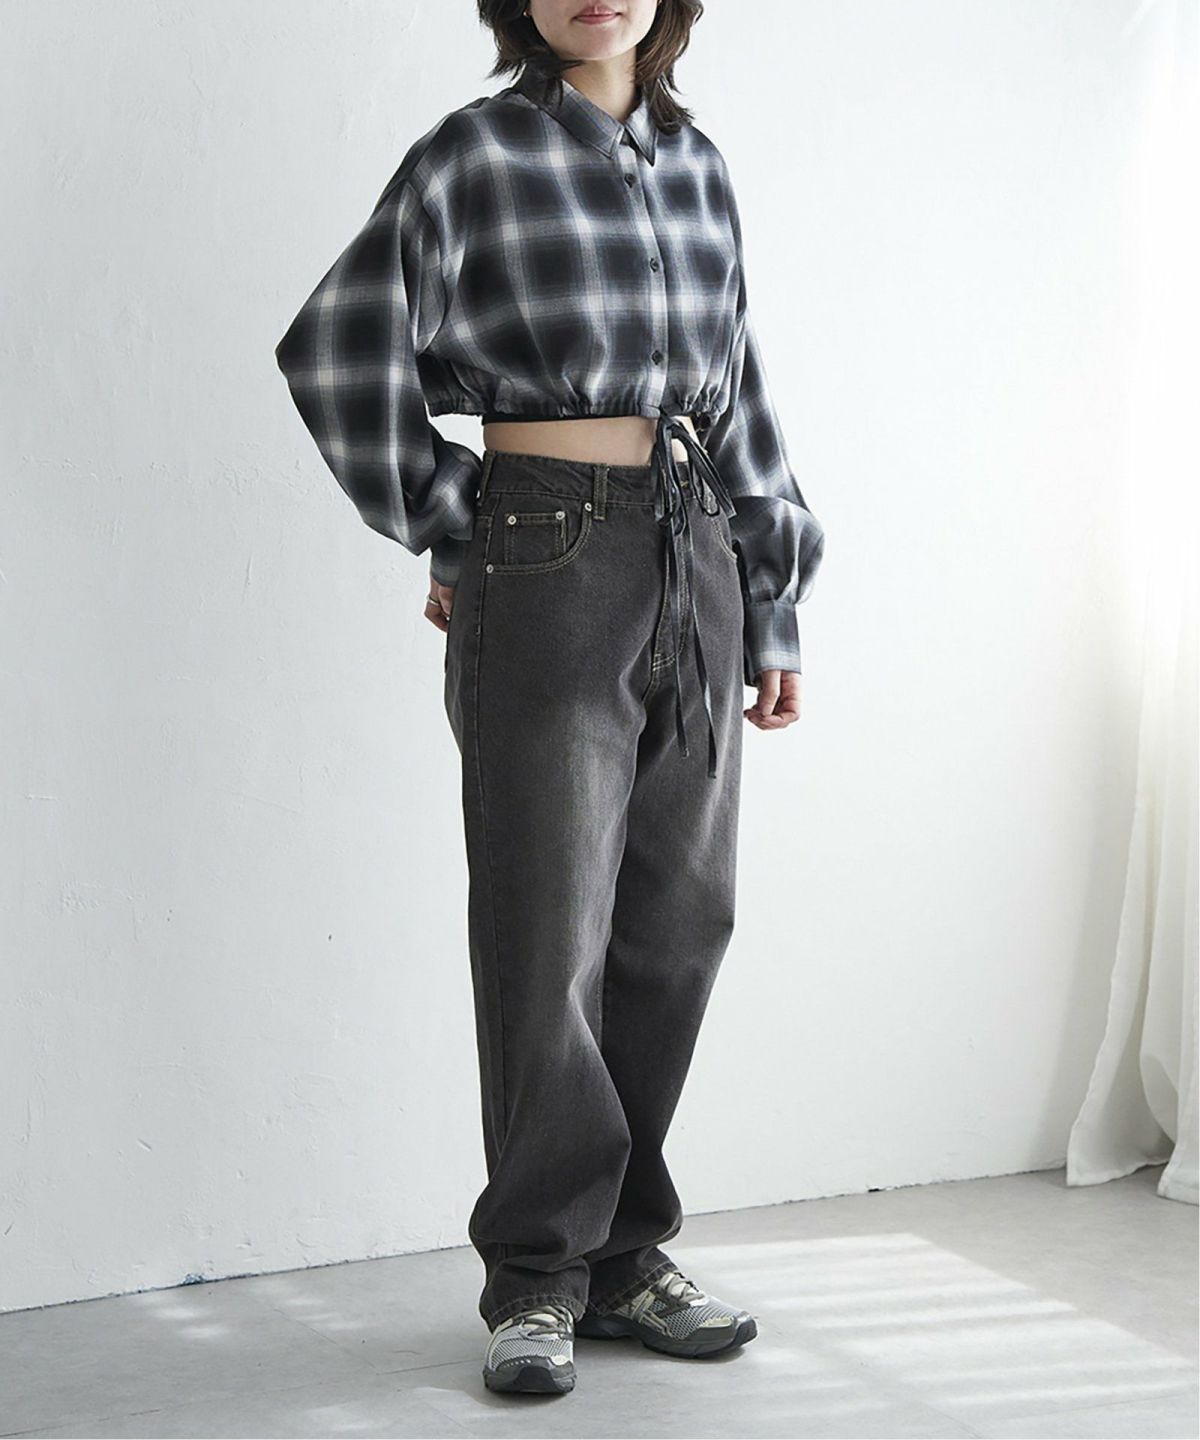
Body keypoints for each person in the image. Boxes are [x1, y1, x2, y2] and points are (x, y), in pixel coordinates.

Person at [274, 0, 825, 1398]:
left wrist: (772, 599)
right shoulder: (475, 157)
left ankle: (625, 1256)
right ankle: (536, 1275)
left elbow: (743, 393)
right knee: (549, 924)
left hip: (698, 550)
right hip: (549, 548)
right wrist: (462, 519)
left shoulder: (700, 167)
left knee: (680, 921)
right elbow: (334, 350)